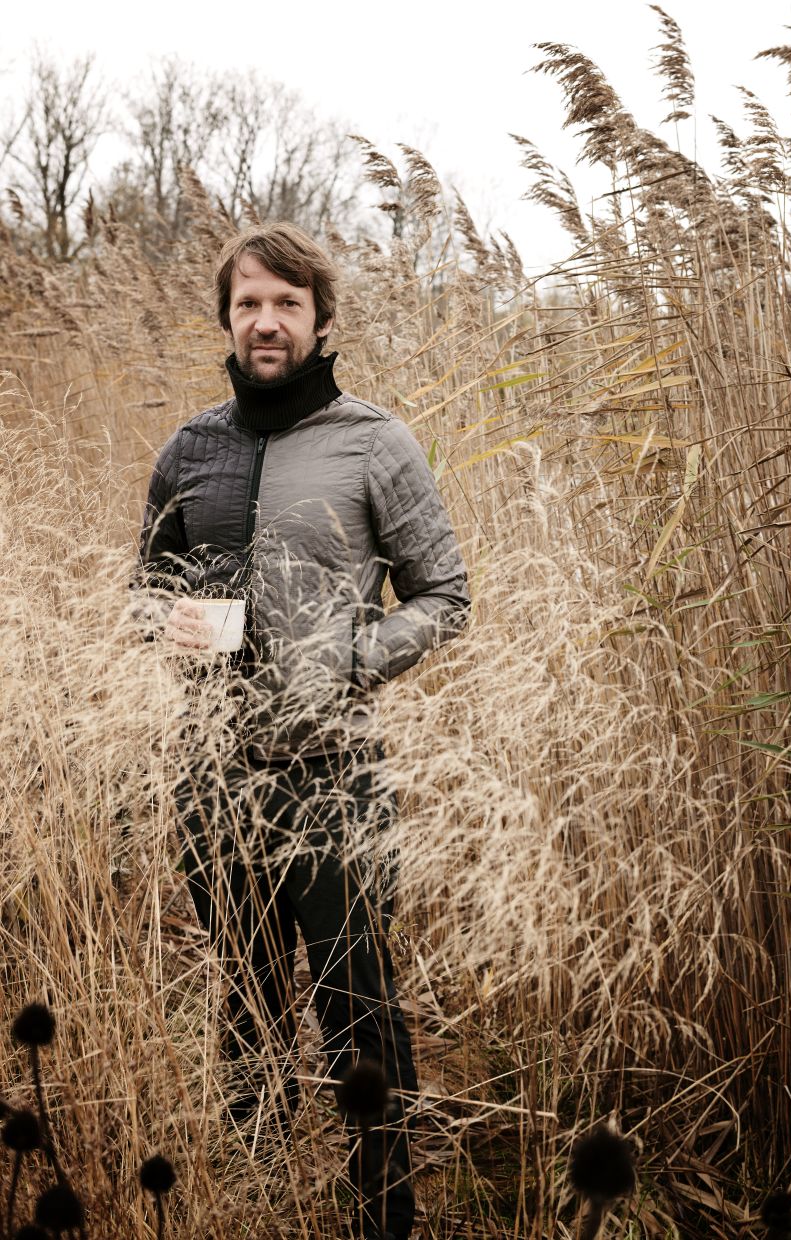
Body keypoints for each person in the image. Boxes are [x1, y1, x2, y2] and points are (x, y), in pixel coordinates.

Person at [130, 221, 471, 1240]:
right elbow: (142, 593)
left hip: (334, 774)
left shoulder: (375, 441)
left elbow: (445, 593)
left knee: (358, 1007)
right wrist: (166, 622)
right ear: (226, 320)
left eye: (285, 303)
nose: (265, 322)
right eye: (248, 304)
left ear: (321, 320)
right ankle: (259, 1198)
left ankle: (383, 1213)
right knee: (244, 1001)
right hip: (215, 781)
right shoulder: (188, 449)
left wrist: (351, 661)